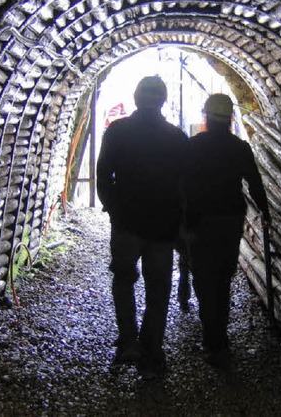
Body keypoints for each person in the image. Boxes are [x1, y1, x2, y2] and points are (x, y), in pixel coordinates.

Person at [96, 76, 188, 379]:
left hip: (127, 223)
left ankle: (128, 342)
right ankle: (151, 351)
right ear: (162, 100)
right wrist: (180, 221)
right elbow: (184, 187)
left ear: (136, 98)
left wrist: (113, 208)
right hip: (162, 227)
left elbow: (103, 175)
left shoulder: (118, 131)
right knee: (158, 289)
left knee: (123, 280)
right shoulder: (176, 138)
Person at [184, 93, 270, 369]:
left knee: (204, 279)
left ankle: (213, 338)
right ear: (230, 118)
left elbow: (181, 185)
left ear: (206, 117)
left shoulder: (193, 146)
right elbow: (255, 184)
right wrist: (265, 214)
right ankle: (218, 337)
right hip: (230, 221)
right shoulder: (240, 148)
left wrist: (181, 221)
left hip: (201, 221)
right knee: (222, 278)